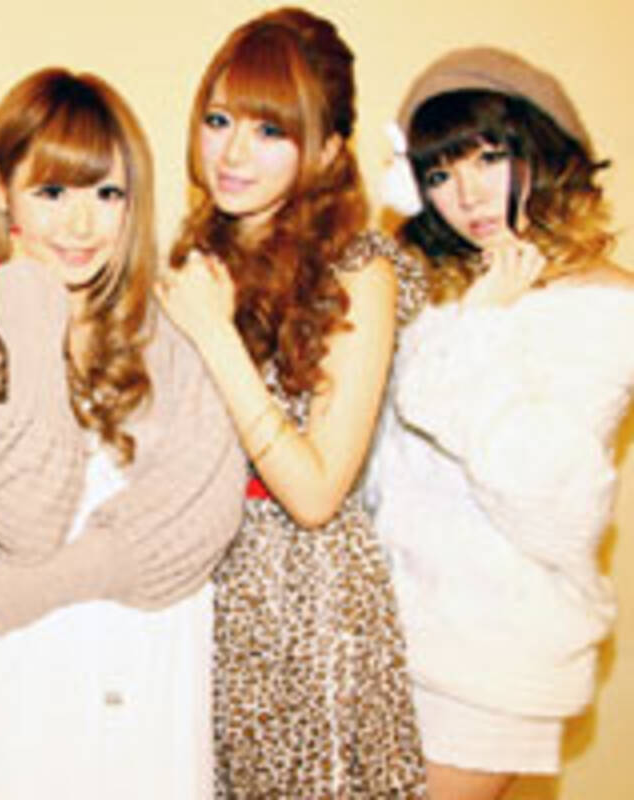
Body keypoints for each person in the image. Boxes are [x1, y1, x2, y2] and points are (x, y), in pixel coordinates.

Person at [0, 67, 246, 800]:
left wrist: (38, 587)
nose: (82, 226)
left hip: (151, 684)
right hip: (22, 691)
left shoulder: (178, 326)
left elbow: (203, 517)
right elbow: (28, 522)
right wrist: (26, 307)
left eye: (108, 195)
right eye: (52, 193)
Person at [155, 8, 427, 797]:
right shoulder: (198, 257)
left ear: (329, 149)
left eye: (270, 130)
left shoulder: (358, 270)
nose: (233, 152)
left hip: (304, 608)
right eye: (218, 120)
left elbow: (315, 493)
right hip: (200, 596)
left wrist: (214, 335)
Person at [370, 46, 634, 800]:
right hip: (392, 636)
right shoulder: (444, 295)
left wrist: (479, 330)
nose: (468, 195)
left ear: (545, 151)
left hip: (491, 655)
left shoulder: (608, 309)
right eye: (440, 174)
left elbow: (551, 502)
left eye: (489, 158)